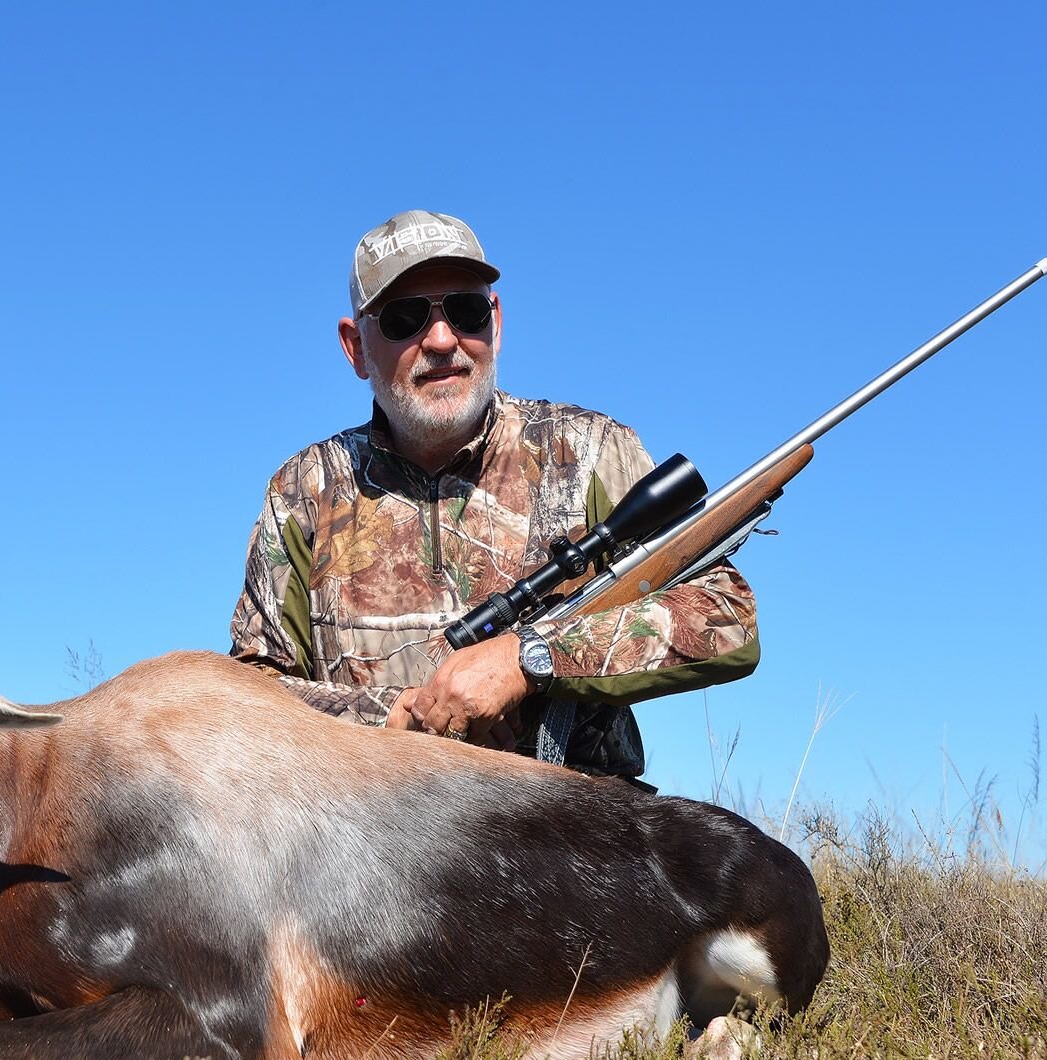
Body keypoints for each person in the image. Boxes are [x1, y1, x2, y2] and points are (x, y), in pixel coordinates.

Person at [228, 211, 759, 781]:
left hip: (574, 824)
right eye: (404, 319)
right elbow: (251, 693)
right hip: (371, 831)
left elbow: (727, 618)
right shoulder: (303, 488)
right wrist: (395, 719)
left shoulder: (591, 449)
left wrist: (527, 660)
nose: (440, 340)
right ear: (355, 347)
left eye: (466, 310)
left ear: (496, 322)